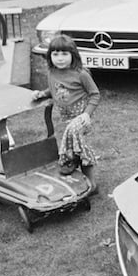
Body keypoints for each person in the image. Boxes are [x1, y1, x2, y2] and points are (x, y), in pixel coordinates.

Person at [32, 34, 101, 192]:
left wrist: (86, 114)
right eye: (55, 54)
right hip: (66, 117)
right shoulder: (52, 73)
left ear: (73, 55)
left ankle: (87, 179)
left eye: (64, 54)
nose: (60, 58)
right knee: (75, 145)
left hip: (81, 116)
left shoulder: (81, 74)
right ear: (50, 56)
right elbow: (55, 89)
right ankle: (74, 163)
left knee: (75, 135)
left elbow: (95, 94)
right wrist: (42, 94)